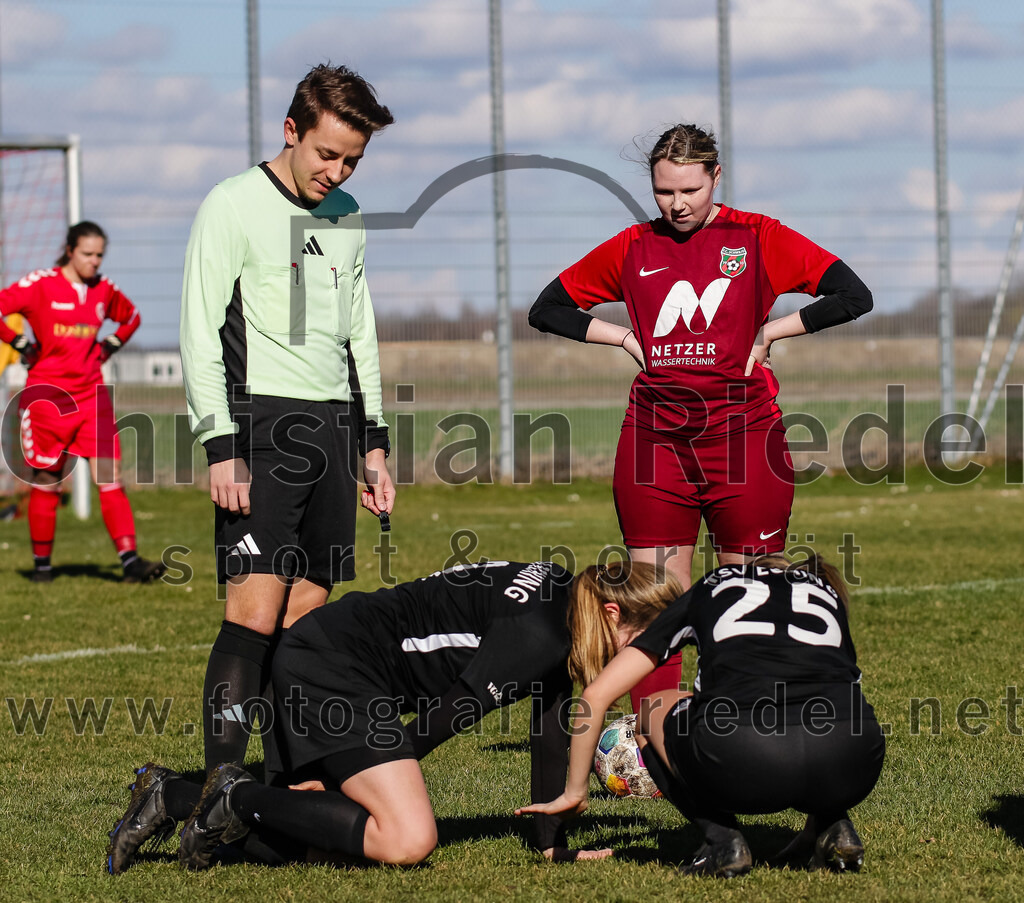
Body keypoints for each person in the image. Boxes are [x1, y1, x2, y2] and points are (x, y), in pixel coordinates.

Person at [528, 123, 873, 709]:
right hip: (655, 440)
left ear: (716, 177)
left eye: (690, 190)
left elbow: (852, 294)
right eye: (664, 192)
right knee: (653, 601)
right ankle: (648, 745)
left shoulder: (759, 236)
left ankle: (736, 722)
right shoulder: (633, 245)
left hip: (745, 439)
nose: (677, 204)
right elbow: (548, 308)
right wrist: (622, 338)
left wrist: (772, 332)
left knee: (745, 598)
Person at [106, 558, 684, 873]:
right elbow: (439, 722)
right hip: (331, 667)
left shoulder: (562, 597)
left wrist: (549, 842)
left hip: (334, 655)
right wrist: (338, 785)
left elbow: (550, 725)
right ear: (613, 614)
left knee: (313, 840)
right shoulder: (538, 636)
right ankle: (230, 796)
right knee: (406, 838)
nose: (644, 658)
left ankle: (173, 795)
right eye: (647, 642)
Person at [178, 63, 397, 775]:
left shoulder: (348, 216)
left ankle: (283, 790)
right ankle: (218, 794)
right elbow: (198, 331)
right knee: (252, 619)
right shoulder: (232, 204)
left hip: (333, 431)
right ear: (291, 130)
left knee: (302, 625)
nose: (337, 171)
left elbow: (357, 332)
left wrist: (373, 444)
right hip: (259, 430)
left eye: (352, 159)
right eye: (326, 154)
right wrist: (220, 443)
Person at [517, 555, 886, 878]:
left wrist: (575, 791)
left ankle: (723, 842)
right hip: (856, 760)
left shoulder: (712, 586)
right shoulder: (826, 591)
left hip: (747, 758)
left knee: (654, 708)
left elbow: (596, 696)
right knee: (821, 711)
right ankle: (834, 825)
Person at [0, 221, 166, 584]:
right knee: (48, 480)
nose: (94, 262)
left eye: (100, 255)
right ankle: (42, 567)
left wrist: (112, 344)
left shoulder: (104, 289)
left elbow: (131, 317)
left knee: (110, 476)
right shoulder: (40, 284)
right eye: (87, 254)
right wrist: (19, 343)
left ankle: (130, 562)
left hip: (92, 396)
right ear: (70, 250)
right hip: (47, 399)